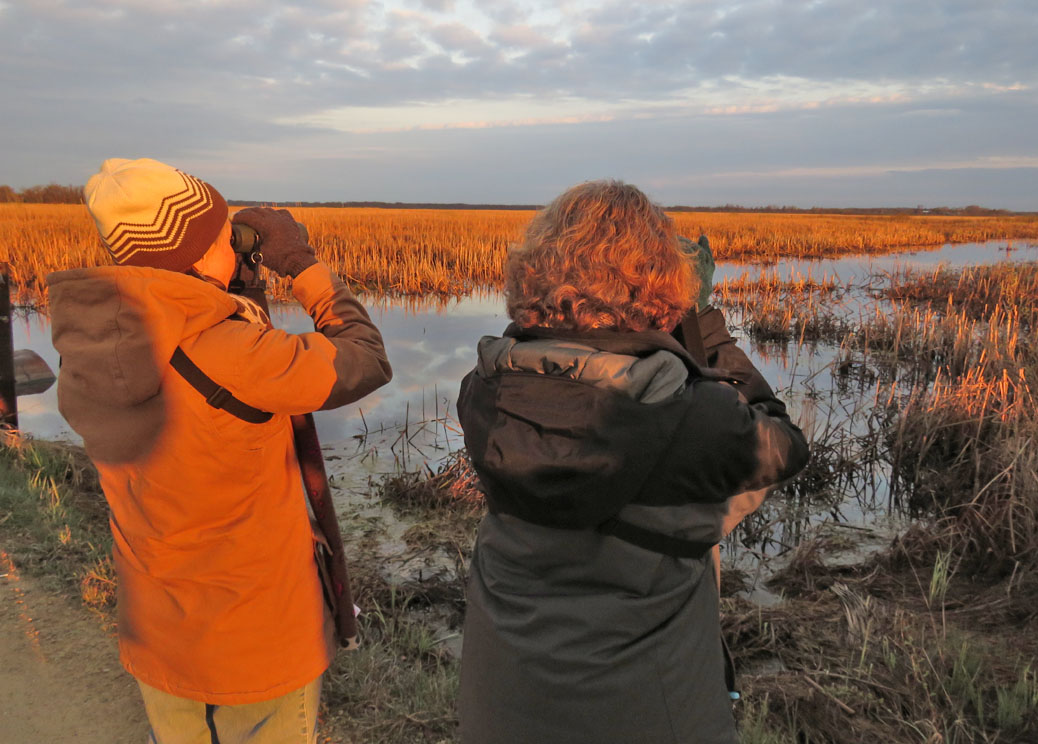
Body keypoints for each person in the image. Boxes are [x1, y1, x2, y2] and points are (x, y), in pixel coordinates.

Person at [47, 157, 392, 743]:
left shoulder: (89, 342)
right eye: (220, 233)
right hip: (254, 641)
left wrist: (228, 290)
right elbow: (365, 360)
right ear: (202, 252)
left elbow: (190, 345)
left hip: (159, 631)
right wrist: (304, 267)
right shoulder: (233, 353)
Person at [456, 180, 809, 744]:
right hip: (650, 709)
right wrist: (700, 323)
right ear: (663, 282)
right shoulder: (692, 415)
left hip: (504, 701)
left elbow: (549, 363)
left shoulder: (485, 392)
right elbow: (783, 444)